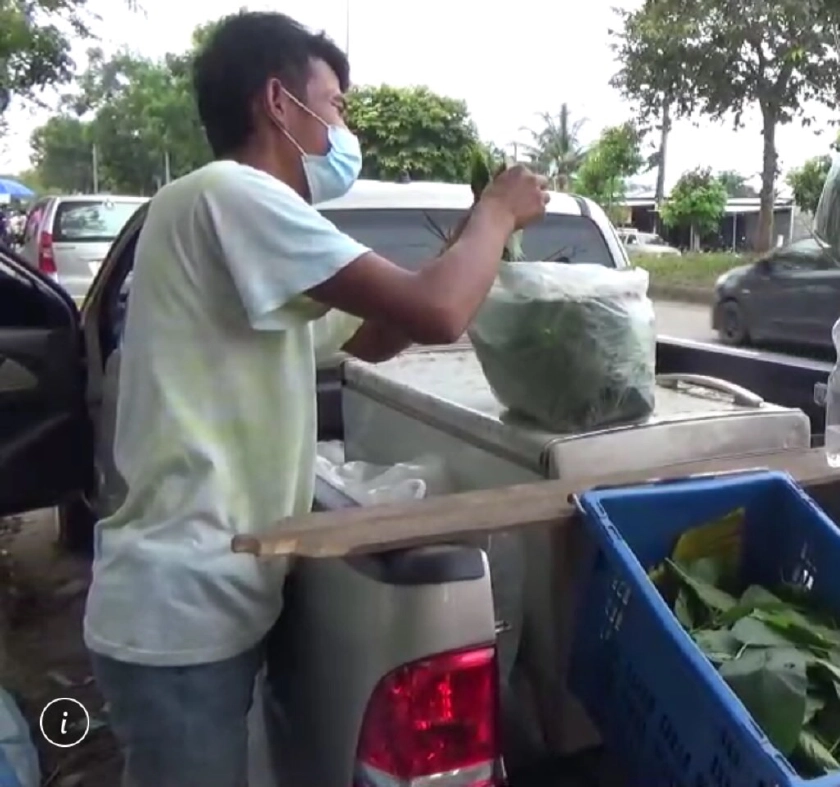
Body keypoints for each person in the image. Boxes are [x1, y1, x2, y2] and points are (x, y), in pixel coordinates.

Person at [83, 12, 548, 787]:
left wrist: (466, 243)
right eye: (333, 106)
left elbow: (370, 334)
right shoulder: (231, 193)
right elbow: (438, 314)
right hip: (183, 610)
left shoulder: (241, 225)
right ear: (278, 101)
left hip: (209, 604)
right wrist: (497, 214)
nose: (342, 127)